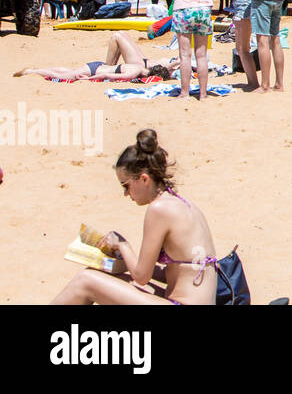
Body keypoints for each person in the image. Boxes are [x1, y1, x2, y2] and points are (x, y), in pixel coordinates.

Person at [52, 129, 218, 305]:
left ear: (144, 179)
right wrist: (123, 263)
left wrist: (122, 245)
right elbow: (180, 271)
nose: (126, 193)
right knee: (116, 279)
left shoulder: (159, 209)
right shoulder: (183, 204)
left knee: (85, 281)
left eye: (126, 185)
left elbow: (141, 277)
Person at [14, 32, 177, 82]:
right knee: (63, 74)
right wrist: (86, 80)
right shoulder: (135, 72)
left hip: (97, 66)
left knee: (68, 72)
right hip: (95, 70)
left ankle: (35, 70)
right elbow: (106, 75)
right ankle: (31, 72)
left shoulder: (140, 68)